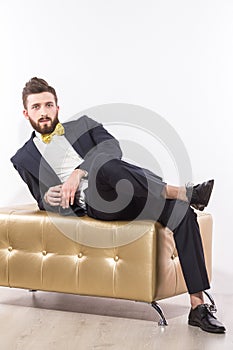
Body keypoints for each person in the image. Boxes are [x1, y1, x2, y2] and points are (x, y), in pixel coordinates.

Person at [11, 77, 226, 333]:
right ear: (26, 113)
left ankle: (197, 307)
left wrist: (78, 172)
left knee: (181, 213)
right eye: (36, 107)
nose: (44, 112)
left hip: (125, 191)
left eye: (48, 105)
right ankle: (181, 191)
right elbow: (40, 197)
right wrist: (48, 200)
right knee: (103, 166)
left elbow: (113, 148)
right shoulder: (23, 158)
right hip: (93, 204)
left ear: (58, 107)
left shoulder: (84, 125)